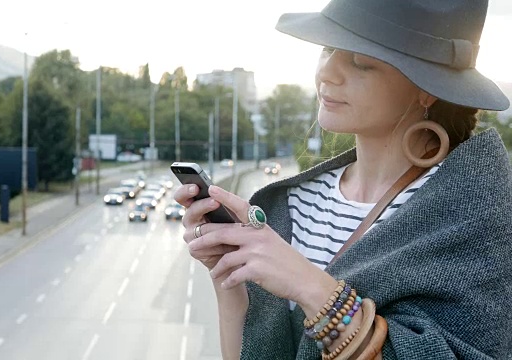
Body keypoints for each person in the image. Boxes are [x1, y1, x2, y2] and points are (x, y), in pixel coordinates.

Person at [173, 0, 512, 359]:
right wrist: (228, 273)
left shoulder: (476, 214)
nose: (328, 72)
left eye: (360, 61)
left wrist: (311, 288)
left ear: (426, 87)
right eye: (329, 48)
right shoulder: (294, 203)